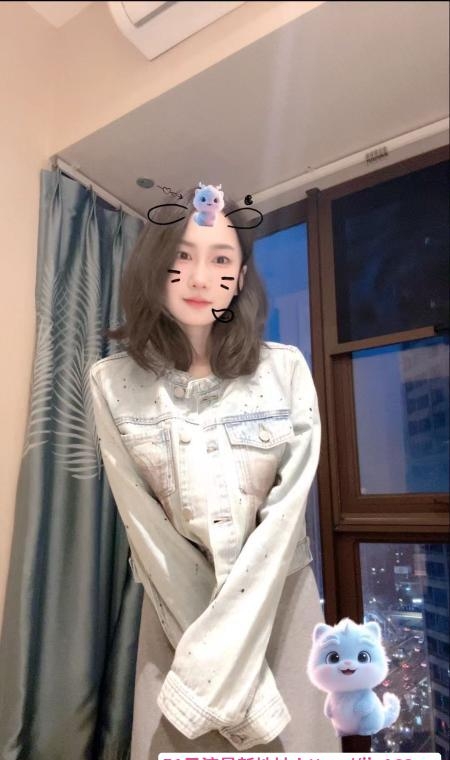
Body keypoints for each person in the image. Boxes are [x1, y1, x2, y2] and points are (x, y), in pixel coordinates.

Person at [89, 186, 341, 756]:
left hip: (278, 606)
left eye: (221, 259)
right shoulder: (113, 383)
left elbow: (282, 527)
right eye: (181, 255)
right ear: (154, 268)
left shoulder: (285, 372)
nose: (201, 277)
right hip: (177, 613)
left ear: (241, 276)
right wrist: (230, 684)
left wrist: (241, 667)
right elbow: (147, 532)